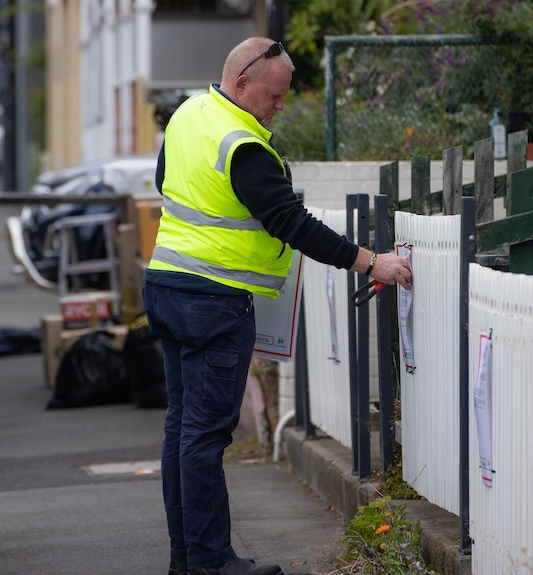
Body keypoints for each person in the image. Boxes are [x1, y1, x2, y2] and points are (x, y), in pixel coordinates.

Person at [143, 37, 413, 575]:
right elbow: (290, 223)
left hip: (166, 289)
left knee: (182, 432)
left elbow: (164, 184)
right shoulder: (242, 145)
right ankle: (212, 563)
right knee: (202, 437)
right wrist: (369, 262)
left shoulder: (188, 115)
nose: (280, 106)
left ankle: (187, 560)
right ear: (242, 83)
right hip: (212, 303)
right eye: (273, 95)